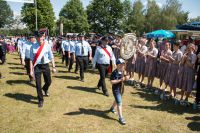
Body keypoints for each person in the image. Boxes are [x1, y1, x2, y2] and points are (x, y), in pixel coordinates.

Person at [30, 31, 56, 108]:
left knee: (48, 81)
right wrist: (31, 70)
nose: (39, 38)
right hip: (37, 66)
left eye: (41, 37)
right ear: (36, 38)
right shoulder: (33, 46)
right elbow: (31, 60)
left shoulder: (47, 45)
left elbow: (51, 57)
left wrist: (53, 67)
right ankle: (40, 100)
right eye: (38, 37)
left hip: (45, 65)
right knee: (38, 84)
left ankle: (45, 89)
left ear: (43, 37)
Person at [110, 58, 129, 125]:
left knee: (117, 99)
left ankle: (112, 108)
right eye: (120, 64)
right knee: (119, 102)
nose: (122, 65)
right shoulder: (114, 73)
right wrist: (121, 80)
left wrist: (127, 77)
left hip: (121, 89)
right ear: (117, 65)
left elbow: (127, 77)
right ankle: (121, 117)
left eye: (123, 64)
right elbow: (112, 82)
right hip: (116, 89)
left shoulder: (123, 71)